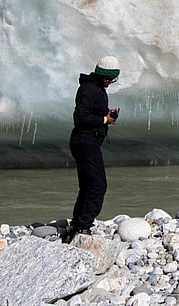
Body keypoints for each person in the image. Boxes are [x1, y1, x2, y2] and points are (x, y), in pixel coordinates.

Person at [62, 55, 120, 243]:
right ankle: (83, 226)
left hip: (87, 142)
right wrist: (104, 120)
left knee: (88, 185)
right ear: (105, 77)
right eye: (111, 79)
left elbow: (89, 112)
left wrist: (105, 114)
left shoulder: (94, 88)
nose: (111, 83)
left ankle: (78, 224)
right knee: (97, 184)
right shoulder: (89, 89)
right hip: (85, 142)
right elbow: (80, 117)